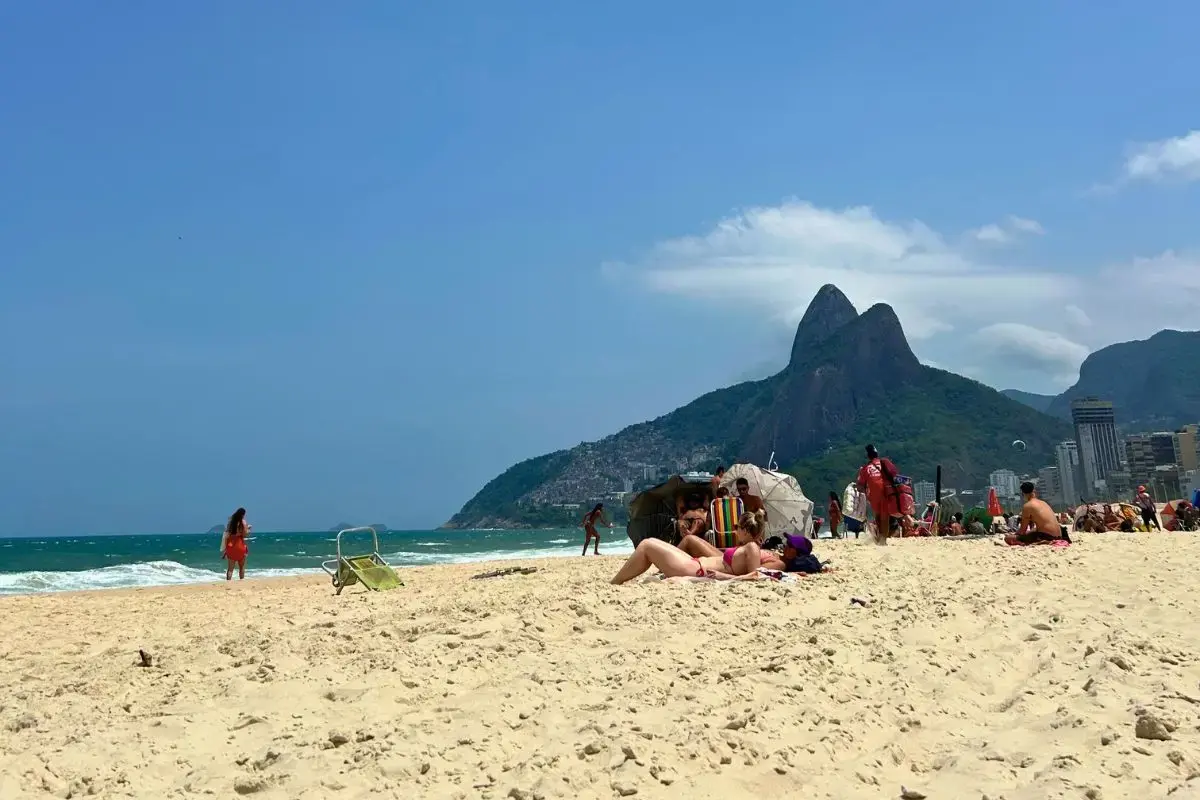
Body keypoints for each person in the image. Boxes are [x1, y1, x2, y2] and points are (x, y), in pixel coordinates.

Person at [611, 510, 767, 584]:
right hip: (696, 564)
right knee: (650, 541)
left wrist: (725, 577)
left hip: (695, 569)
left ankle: (615, 582)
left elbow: (756, 576)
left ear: (745, 531)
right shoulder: (747, 547)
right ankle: (618, 580)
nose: (734, 529)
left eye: (737, 526)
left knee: (646, 545)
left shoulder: (752, 547)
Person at [855, 444, 901, 544]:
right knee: (885, 517)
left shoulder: (865, 468)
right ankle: (883, 540)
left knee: (878, 516)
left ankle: (880, 538)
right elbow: (895, 474)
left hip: (873, 495)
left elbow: (859, 486)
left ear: (868, 456)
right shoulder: (884, 463)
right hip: (886, 492)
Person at [1005, 481, 1069, 545]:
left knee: (1008, 538)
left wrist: (1014, 534)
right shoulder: (1044, 503)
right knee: (1033, 530)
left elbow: (1022, 530)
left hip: (1047, 537)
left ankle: (1024, 543)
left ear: (1023, 493)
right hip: (1060, 536)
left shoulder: (1027, 506)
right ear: (1034, 490)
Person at [220, 507, 250, 581]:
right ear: (242, 514)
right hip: (240, 546)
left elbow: (228, 535)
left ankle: (228, 582)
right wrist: (248, 529)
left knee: (230, 569)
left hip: (231, 546)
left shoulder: (231, 522)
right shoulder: (243, 522)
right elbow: (245, 535)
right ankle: (242, 581)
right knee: (241, 568)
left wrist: (225, 551)